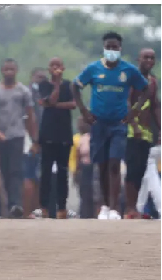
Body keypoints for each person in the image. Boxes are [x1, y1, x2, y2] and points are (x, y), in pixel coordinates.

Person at [72, 31, 150, 220]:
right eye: (108, 47)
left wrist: (135, 111)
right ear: (104, 48)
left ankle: (115, 208)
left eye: (115, 47)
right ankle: (105, 206)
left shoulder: (128, 70)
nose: (112, 50)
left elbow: (146, 89)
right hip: (98, 123)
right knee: (102, 165)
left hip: (119, 124)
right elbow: (75, 86)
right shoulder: (93, 69)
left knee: (115, 163)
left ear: (120, 48)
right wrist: (83, 110)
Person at [0, 58, 39, 218]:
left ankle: (16, 204)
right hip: (1, 137)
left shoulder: (23, 91)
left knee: (16, 170)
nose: (9, 72)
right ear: (2, 71)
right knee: (5, 171)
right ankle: (11, 205)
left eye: (12, 69)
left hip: (18, 134)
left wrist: (34, 139)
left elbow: (30, 116)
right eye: (6, 69)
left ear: (16, 71)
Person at [37, 57, 77, 219]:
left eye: (58, 65)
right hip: (47, 133)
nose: (56, 68)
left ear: (63, 67)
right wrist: (57, 86)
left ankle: (62, 207)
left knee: (63, 172)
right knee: (45, 171)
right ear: (49, 69)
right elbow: (49, 100)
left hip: (64, 134)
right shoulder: (44, 85)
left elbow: (74, 104)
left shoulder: (70, 85)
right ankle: (44, 207)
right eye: (53, 65)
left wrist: (55, 105)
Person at [125, 48, 161, 218]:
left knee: (141, 170)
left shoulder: (153, 82)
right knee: (132, 170)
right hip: (132, 131)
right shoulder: (131, 79)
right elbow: (125, 102)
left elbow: (155, 106)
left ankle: (136, 209)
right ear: (138, 59)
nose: (149, 60)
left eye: (152, 58)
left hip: (146, 132)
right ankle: (130, 208)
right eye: (145, 57)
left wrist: (160, 129)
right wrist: (134, 125)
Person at [23, 68, 47, 218]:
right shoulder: (28, 94)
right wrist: (34, 141)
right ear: (32, 77)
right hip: (30, 141)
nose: (41, 80)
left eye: (44, 78)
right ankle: (27, 211)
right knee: (29, 176)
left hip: (44, 140)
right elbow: (28, 119)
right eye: (39, 77)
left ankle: (37, 209)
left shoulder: (45, 95)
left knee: (40, 177)